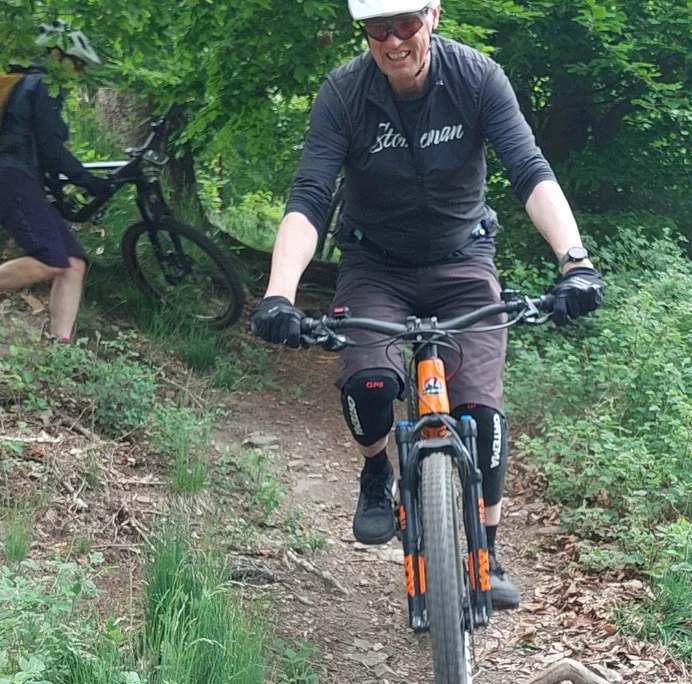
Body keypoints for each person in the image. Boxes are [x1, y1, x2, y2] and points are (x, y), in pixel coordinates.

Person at [250, 0, 604, 610]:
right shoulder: (344, 93)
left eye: (405, 25)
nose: (392, 42)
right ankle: (376, 472)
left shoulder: (476, 78)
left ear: (433, 16)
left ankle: (485, 551)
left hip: (462, 263)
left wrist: (574, 261)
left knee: (483, 415)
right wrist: (280, 291)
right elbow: (310, 196)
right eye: (377, 29)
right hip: (374, 266)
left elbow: (529, 170)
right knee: (367, 385)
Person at [0, 21, 112, 342]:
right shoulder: (43, 86)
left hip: (16, 181)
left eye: (81, 67)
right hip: (8, 179)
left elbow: (44, 151)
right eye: (75, 63)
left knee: (73, 262)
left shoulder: (26, 87)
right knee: (51, 259)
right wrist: (88, 181)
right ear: (54, 55)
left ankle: (61, 346)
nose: (78, 72)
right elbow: (50, 148)